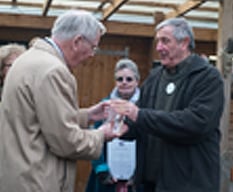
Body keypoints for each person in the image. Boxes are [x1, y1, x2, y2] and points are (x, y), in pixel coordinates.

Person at [0, 10, 127, 192]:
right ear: (77, 42)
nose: (92, 55)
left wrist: (87, 115)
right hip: (38, 182)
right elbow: (66, 142)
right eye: (93, 47)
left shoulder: (29, 59)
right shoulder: (53, 71)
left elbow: (39, 120)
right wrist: (101, 134)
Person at [110, 17, 225, 192]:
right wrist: (122, 128)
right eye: (158, 42)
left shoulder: (207, 78)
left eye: (165, 41)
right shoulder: (155, 77)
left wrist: (138, 115)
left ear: (184, 42)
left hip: (189, 184)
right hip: (151, 183)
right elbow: (141, 120)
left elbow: (196, 122)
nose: (158, 48)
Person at [85, 58, 142, 192]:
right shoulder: (105, 105)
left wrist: (141, 171)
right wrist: (101, 168)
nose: (124, 83)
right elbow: (95, 137)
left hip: (136, 178)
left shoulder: (144, 108)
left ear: (137, 81)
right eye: (120, 79)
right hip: (106, 177)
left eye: (129, 79)